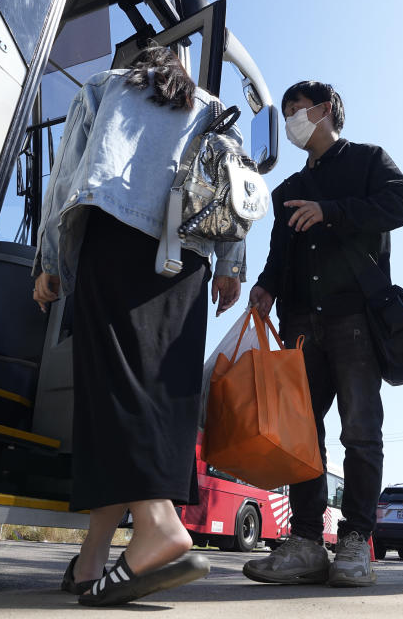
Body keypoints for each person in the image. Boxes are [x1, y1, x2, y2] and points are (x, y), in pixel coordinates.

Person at [31, 45, 245, 606]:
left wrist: (51, 259)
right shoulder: (212, 107)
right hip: (190, 259)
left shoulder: (107, 85)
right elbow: (235, 190)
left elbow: (67, 173)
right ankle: (92, 557)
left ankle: (157, 525)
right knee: (158, 395)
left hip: (117, 235)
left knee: (113, 386)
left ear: (140, 61)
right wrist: (231, 266)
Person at [242, 80, 403, 587]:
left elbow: (399, 206)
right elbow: (279, 253)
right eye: (288, 110)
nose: (293, 118)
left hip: (356, 318)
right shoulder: (288, 189)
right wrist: (267, 286)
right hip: (300, 325)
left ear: (328, 110)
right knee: (302, 437)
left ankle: (357, 540)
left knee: (360, 431)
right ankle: (308, 543)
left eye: (300, 108)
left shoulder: (368, 160)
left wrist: (332, 212)